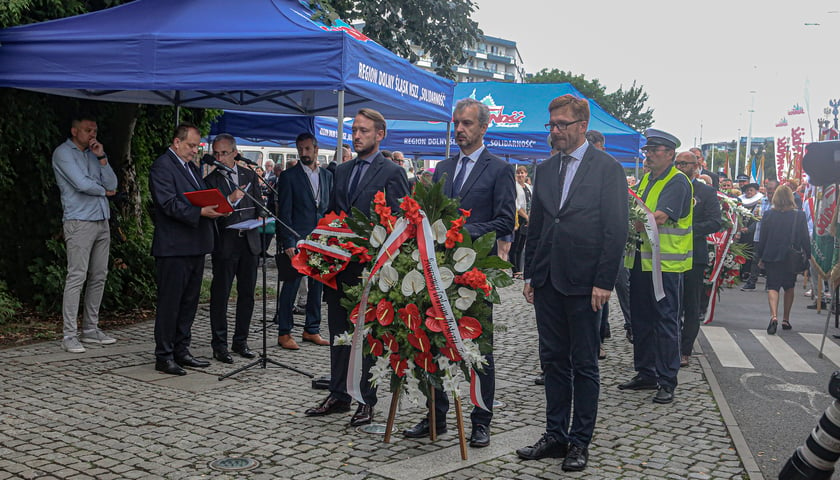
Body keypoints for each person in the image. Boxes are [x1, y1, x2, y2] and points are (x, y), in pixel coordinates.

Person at [518, 95, 627, 472]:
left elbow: (616, 230)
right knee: (552, 362)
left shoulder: (607, 168)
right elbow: (538, 225)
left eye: (562, 124)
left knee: (584, 364)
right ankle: (555, 434)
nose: (555, 131)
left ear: (582, 125)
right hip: (548, 280)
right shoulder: (544, 169)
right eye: (551, 125)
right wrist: (530, 272)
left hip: (585, 284)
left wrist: (604, 282)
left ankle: (579, 442)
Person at [404, 98, 515, 448]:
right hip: (437, 269)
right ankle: (436, 415)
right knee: (434, 339)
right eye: (457, 124)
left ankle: (481, 418)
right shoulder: (444, 168)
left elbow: (503, 220)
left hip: (475, 271)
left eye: (467, 124)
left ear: (483, 127)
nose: (460, 130)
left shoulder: (499, 169)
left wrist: (460, 231)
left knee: (479, 346)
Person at [304, 108, 409, 426]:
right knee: (339, 332)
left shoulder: (392, 172)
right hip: (340, 269)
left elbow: (403, 221)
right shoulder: (342, 170)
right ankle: (339, 394)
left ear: (380, 134)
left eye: (364, 130)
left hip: (372, 269)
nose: (357, 135)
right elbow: (334, 214)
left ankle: (367, 399)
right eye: (354, 130)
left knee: (368, 336)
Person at [618, 128, 693, 405]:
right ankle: (646, 372)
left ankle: (667, 379)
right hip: (640, 261)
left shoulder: (677, 181)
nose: (647, 155)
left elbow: (658, 217)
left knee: (665, 321)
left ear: (670, 154)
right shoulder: (648, 178)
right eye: (647, 150)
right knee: (641, 319)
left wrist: (632, 222)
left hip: (666, 266)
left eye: (653, 150)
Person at [149, 123, 228, 376]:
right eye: (191, 145)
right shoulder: (163, 166)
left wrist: (212, 206)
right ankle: (164, 355)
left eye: (197, 146)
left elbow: (198, 195)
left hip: (194, 244)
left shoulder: (191, 167)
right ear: (176, 142)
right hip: (174, 247)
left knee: (189, 303)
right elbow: (167, 203)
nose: (196, 150)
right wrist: (199, 211)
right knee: (171, 303)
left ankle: (182, 350)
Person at [52, 115, 119, 353]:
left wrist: (101, 157)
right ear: (74, 131)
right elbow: (82, 184)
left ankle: (90, 329)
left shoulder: (94, 153)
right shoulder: (63, 153)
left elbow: (113, 182)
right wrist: (104, 191)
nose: (93, 134)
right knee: (76, 276)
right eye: (88, 130)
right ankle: (69, 335)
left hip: (102, 220)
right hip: (79, 221)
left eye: (95, 130)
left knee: (99, 275)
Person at [203, 134, 260, 364]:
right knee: (221, 294)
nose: (219, 157)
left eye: (223, 153)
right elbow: (212, 213)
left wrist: (261, 218)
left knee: (247, 294)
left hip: (249, 242)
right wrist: (231, 198)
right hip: (226, 243)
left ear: (235, 153)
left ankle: (241, 340)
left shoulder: (249, 175)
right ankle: (219, 344)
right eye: (216, 153)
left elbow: (259, 204)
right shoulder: (211, 180)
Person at [275, 133, 332, 350]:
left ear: (316, 150)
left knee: (317, 286)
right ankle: (284, 331)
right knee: (291, 286)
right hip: (297, 239)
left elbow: (327, 208)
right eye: (300, 149)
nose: (304, 153)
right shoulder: (289, 176)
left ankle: (312, 329)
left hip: (320, 239)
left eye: (308, 149)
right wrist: (288, 241)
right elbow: (284, 212)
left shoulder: (327, 176)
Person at [674, 152, 721, 367]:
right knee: (671, 302)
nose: (681, 166)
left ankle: (685, 349)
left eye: (685, 163)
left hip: (694, 254)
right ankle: (670, 343)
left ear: (696, 166)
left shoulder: (706, 191)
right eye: (678, 163)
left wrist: (689, 230)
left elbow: (714, 222)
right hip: (670, 254)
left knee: (691, 304)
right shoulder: (670, 186)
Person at [756, 184, 811, 334]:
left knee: (773, 286)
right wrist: (809, 254)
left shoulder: (768, 215)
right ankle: (786, 319)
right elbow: (805, 238)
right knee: (789, 287)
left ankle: (773, 316)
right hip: (791, 256)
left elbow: (763, 238)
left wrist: (760, 256)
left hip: (772, 255)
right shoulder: (799, 215)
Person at [510, 165, 531, 279]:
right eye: (518, 173)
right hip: (518, 217)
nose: (520, 175)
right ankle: (515, 270)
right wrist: (526, 217)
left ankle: (520, 268)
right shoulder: (515, 187)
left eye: (522, 173)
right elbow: (517, 205)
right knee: (515, 245)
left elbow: (530, 201)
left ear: (526, 174)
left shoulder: (528, 187)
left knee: (522, 245)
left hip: (527, 217)